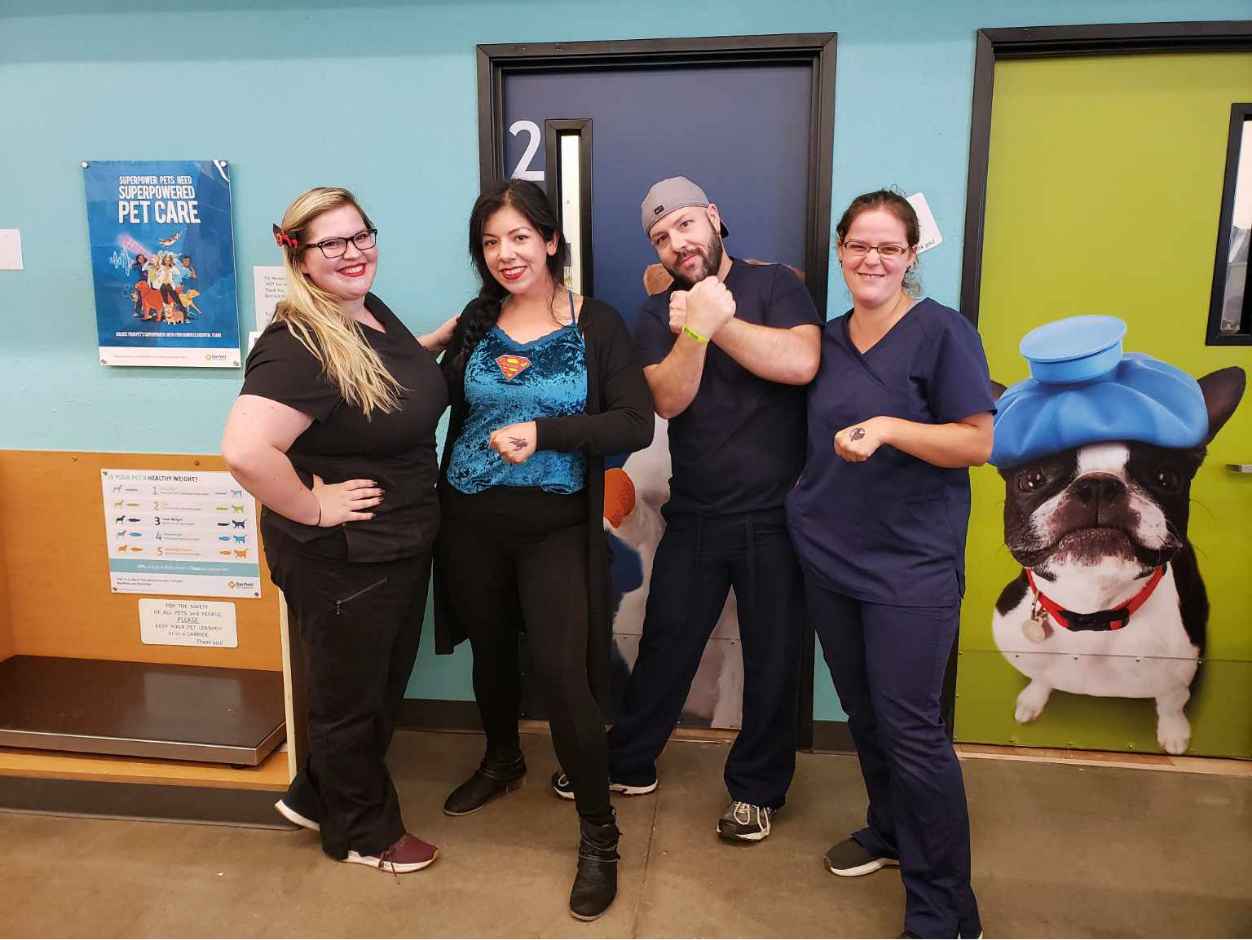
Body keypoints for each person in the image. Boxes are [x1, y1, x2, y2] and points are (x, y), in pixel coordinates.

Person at [554, 176, 822, 844]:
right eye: (661, 237)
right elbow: (668, 400)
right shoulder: (654, 316)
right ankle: (632, 759)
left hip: (777, 517)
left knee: (772, 657)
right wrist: (695, 330)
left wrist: (719, 320)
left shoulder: (777, 286)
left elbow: (800, 363)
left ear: (714, 216)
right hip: (697, 512)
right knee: (666, 643)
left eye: (684, 225)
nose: (677, 243)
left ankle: (756, 791)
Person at [434, 178, 653, 921]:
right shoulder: (476, 319)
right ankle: (501, 758)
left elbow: (634, 424)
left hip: (556, 522)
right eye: (491, 242)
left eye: (520, 237)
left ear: (552, 241)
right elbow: (433, 401)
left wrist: (547, 434)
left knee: (563, 674)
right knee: (490, 652)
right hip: (469, 518)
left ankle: (599, 835)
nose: (506, 254)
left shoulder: (598, 324)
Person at [221, 186, 456, 875]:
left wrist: (432, 345)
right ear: (299, 255)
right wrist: (312, 507)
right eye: (333, 243)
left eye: (362, 235)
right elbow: (244, 450)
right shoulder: (298, 343)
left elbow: (375, 383)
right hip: (345, 557)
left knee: (378, 685)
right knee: (353, 698)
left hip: (396, 544)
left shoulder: (364, 312)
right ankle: (361, 833)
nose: (354, 253)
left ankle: (316, 792)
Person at [785, 189, 994, 939]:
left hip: (912, 569)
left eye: (889, 248)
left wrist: (893, 428)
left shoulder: (942, 333)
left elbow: (976, 442)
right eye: (859, 245)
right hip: (831, 558)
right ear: (840, 251)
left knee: (915, 733)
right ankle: (891, 831)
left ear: (911, 257)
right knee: (866, 716)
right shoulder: (827, 339)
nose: (872, 259)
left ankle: (946, 909)